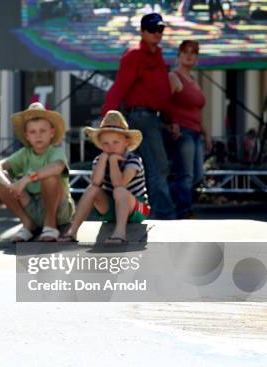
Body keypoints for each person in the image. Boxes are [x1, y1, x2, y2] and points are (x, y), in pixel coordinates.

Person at [102, 12, 175, 220]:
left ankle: (150, 213)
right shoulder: (134, 55)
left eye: (160, 29)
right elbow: (119, 88)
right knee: (157, 166)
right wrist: (108, 118)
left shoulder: (158, 57)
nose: (157, 33)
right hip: (141, 117)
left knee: (153, 167)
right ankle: (164, 215)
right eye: (152, 29)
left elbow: (163, 95)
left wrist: (171, 121)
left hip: (155, 118)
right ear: (142, 32)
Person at [0, 102, 75, 242]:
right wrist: (10, 186)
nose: (38, 136)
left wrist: (26, 179)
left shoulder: (56, 152)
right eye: (33, 132)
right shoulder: (24, 153)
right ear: (27, 136)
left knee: (50, 177)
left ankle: (50, 225)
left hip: (59, 209)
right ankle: (28, 223)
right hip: (31, 205)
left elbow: (59, 167)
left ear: (51, 133)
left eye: (42, 131)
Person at [61, 111, 150, 244]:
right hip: (113, 209)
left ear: (126, 142)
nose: (111, 147)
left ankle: (120, 233)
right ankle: (72, 231)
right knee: (92, 189)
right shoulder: (99, 160)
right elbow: (95, 182)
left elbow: (119, 184)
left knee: (119, 190)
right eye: (106, 144)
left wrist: (113, 162)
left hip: (138, 209)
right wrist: (103, 160)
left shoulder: (134, 160)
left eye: (115, 142)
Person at [167, 40, 210, 219]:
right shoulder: (173, 77)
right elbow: (165, 103)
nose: (189, 55)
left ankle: (166, 198)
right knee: (185, 175)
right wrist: (172, 122)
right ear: (179, 56)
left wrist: (206, 133)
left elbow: (197, 111)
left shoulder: (193, 80)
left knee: (197, 175)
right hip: (182, 132)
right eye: (185, 51)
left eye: (194, 52)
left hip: (196, 132)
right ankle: (184, 212)